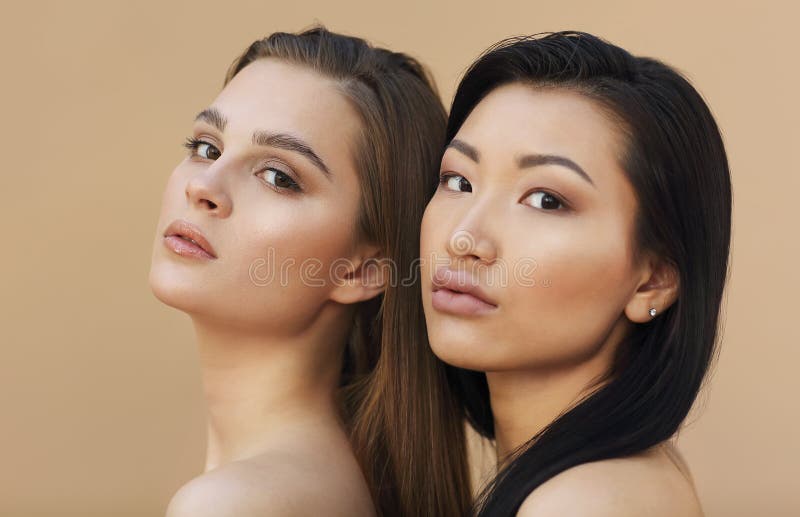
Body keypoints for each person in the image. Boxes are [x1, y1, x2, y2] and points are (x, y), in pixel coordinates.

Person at [149, 26, 469, 516]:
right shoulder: (335, 481)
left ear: (363, 270)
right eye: (207, 148)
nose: (204, 186)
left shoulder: (234, 504)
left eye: (279, 177)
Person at [420, 31, 731, 516]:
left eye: (546, 200)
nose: (463, 238)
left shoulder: (587, 502)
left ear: (653, 279)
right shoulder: (613, 482)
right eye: (458, 181)